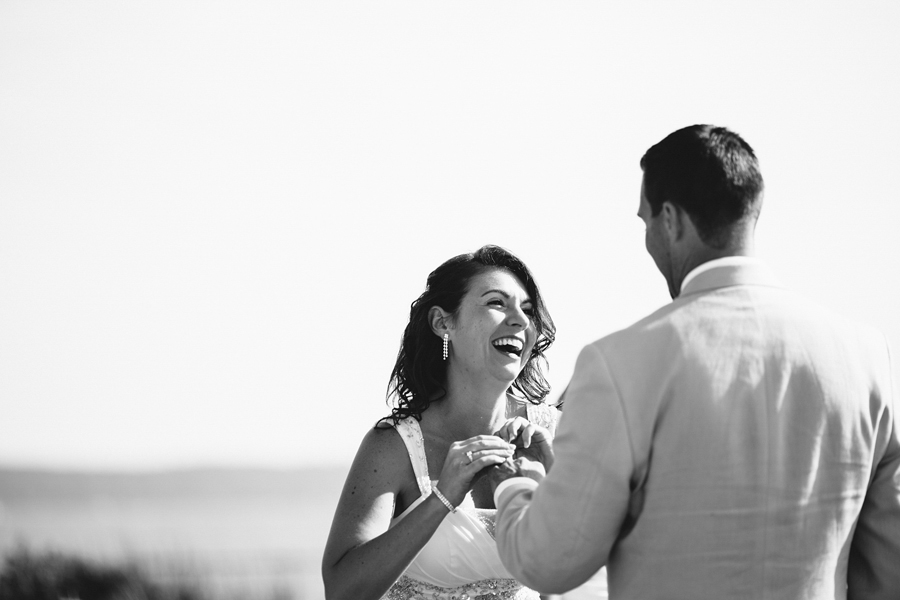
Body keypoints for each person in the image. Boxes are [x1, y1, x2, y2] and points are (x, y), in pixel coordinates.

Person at [490, 125, 900, 598]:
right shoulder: (865, 355)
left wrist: (514, 488)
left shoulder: (618, 362)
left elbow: (550, 563)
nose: (647, 238)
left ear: (671, 220)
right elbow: (888, 563)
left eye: (645, 221)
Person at [322, 245, 560, 600]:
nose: (521, 320)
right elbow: (343, 592)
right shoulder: (394, 446)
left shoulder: (558, 435)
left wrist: (556, 482)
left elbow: (595, 577)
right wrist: (442, 497)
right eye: (497, 303)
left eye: (527, 310)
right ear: (442, 323)